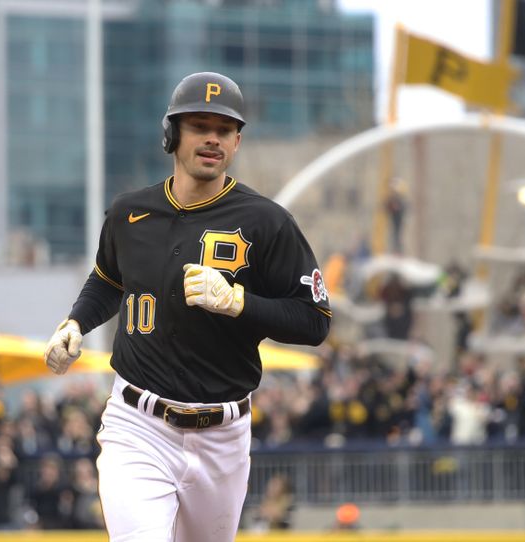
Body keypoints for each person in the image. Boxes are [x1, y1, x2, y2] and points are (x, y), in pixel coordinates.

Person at [43, 72, 331, 542]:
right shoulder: (128, 213)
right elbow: (107, 279)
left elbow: (315, 321)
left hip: (224, 433)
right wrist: (77, 320)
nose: (212, 138)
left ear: (237, 141)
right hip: (138, 423)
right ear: (172, 133)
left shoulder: (268, 222)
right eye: (199, 125)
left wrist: (239, 302)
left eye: (224, 129)